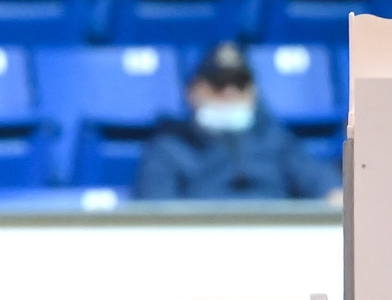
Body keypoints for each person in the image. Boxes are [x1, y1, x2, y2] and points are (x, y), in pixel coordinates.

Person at [135, 42, 340, 200]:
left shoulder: (274, 138)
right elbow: (154, 216)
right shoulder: (169, 147)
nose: (230, 93)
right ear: (192, 91)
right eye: (218, 84)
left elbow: (326, 188)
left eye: (240, 84)